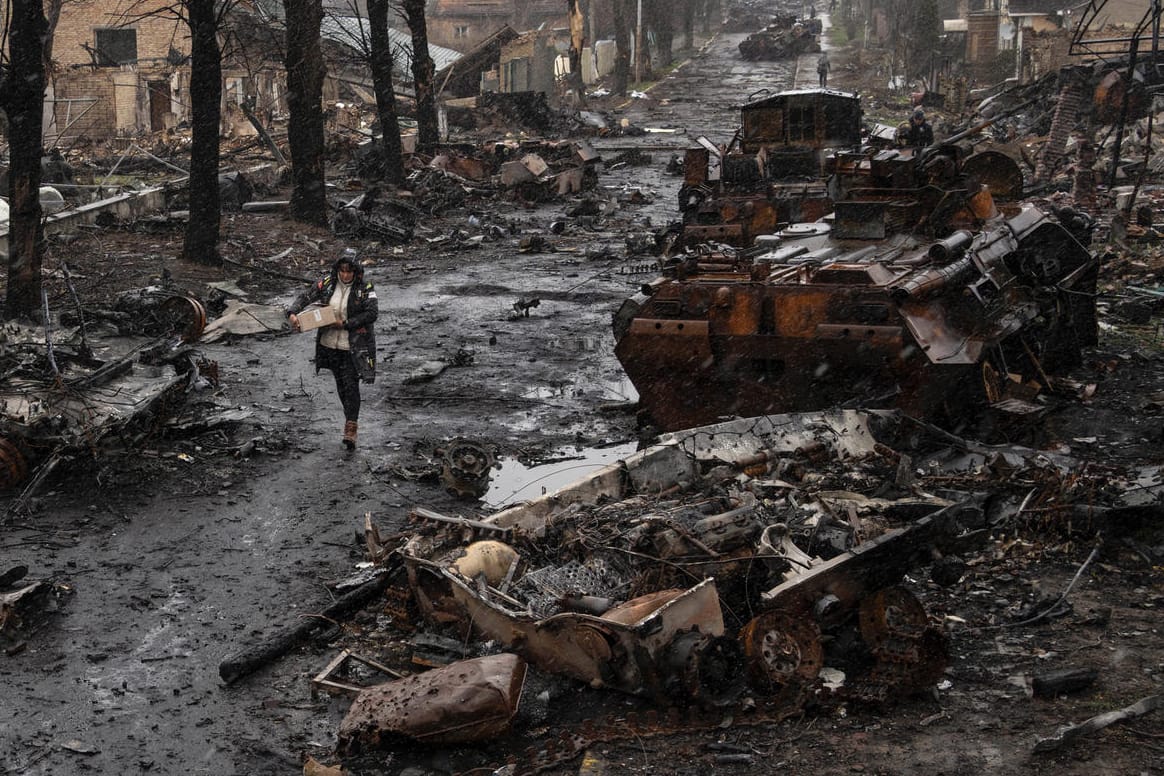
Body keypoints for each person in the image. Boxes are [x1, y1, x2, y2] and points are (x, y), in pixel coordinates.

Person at [287, 248, 378, 450]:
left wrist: (345, 323)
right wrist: (293, 312)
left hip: (352, 346)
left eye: (349, 271)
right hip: (329, 344)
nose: (345, 275)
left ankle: (351, 427)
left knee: (351, 384)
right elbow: (306, 296)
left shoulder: (365, 288)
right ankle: (350, 419)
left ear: (356, 271)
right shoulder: (327, 283)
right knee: (341, 385)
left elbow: (372, 313)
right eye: (342, 270)